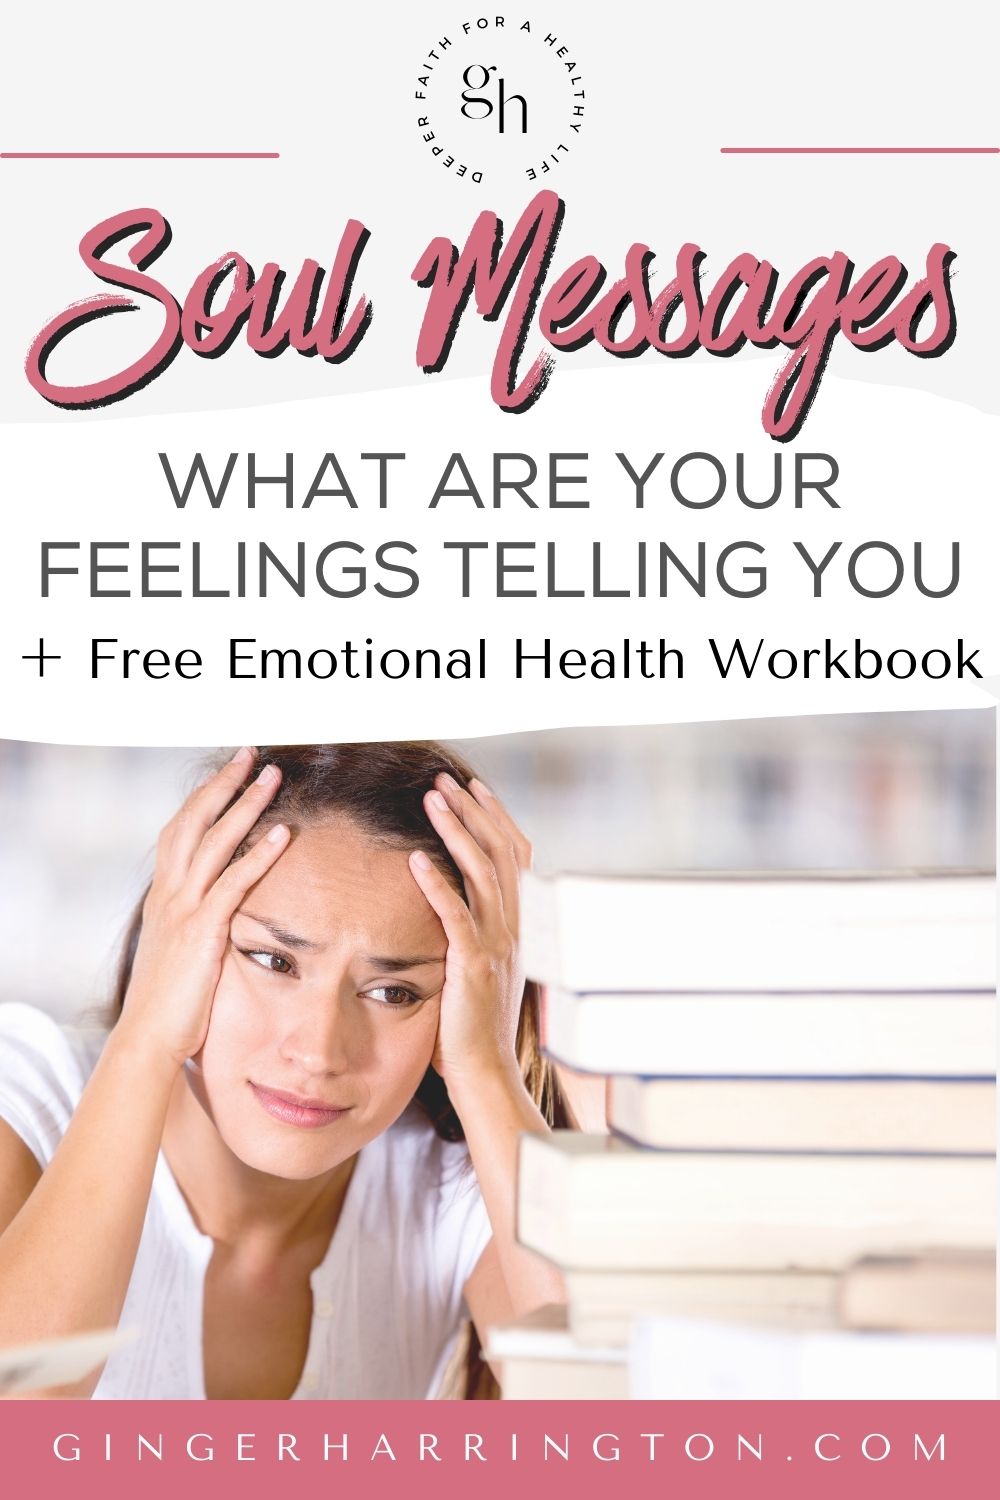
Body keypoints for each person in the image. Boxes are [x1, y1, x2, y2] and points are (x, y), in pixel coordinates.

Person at [0, 742, 578, 1399]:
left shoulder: (454, 1187)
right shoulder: (27, 1095)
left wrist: (487, 1070)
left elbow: (617, 1428)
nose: (320, 1051)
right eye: (274, 961)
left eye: (395, 992)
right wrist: (145, 1036)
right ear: (178, 943)